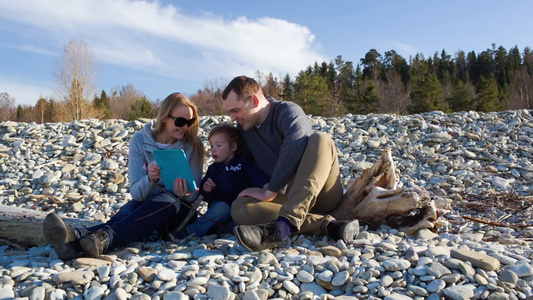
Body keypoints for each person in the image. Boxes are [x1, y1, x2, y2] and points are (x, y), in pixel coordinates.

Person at [43, 93, 204, 259]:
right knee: (125, 214)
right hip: (145, 202)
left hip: (178, 209)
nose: (185, 127)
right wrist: (150, 180)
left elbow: (194, 194)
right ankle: (76, 241)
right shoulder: (140, 141)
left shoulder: (193, 144)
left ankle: (90, 238)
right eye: (180, 122)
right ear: (164, 117)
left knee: (164, 202)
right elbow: (137, 193)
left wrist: (183, 192)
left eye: (190, 122)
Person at [222, 76, 359, 252]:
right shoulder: (245, 129)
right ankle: (327, 226)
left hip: (321, 191)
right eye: (229, 113)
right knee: (240, 208)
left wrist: (270, 190)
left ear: (254, 100)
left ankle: (284, 226)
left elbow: (294, 146)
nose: (232, 118)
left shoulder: (287, 111)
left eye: (235, 110)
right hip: (286, 197)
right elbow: (244, 164)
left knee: (321, 140)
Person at [174, 123, 270, 238]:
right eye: (212, 146)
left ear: (233, 147)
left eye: (218, 145)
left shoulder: (243, 163)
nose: (213, 150)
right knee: (222, 208)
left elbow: (258, 177)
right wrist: (206, 189)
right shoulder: (213, 169)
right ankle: (190, 231)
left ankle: (219, 231)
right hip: (219, 210)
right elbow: (205, 196)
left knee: (239, 223)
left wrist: (268, 188)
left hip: (239, 210)